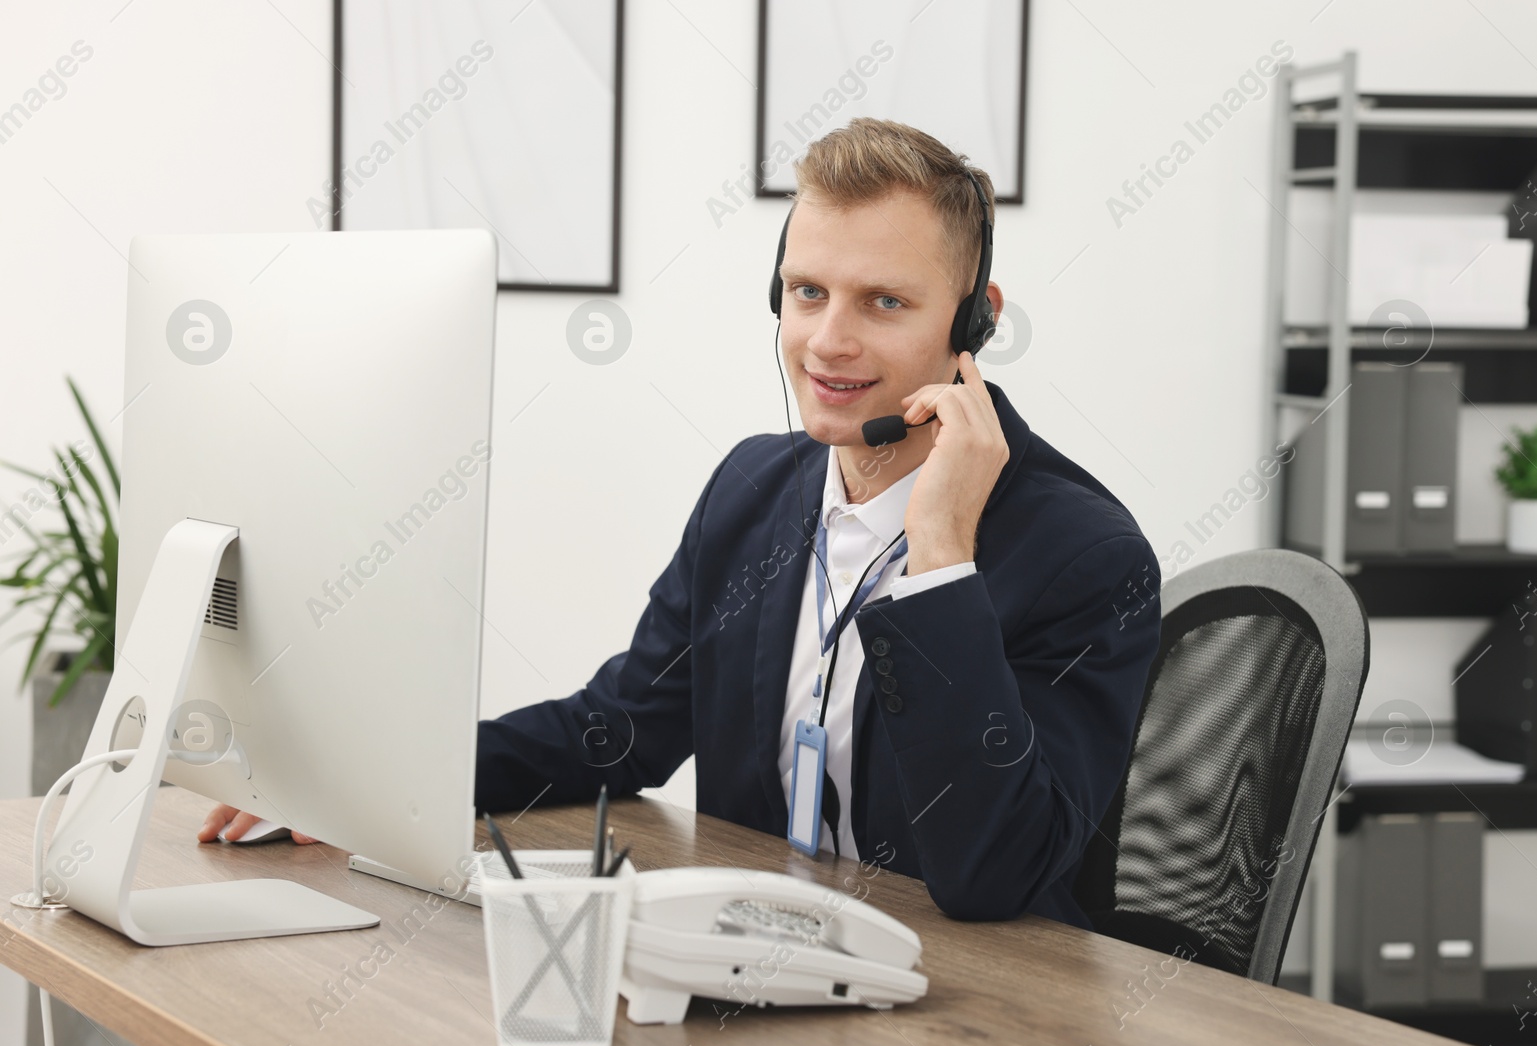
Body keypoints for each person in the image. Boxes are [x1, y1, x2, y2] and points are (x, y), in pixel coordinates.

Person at [203, 117, 1161, 927]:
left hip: (978, 1019)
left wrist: (943, 559)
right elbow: (615, 731)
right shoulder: (754, 490)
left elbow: (994, 874)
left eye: (885, 302)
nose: (828, 340)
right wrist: (354, 788)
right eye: (806, 291)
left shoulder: (1088, 559)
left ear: (975, 323)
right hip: (752, 970)